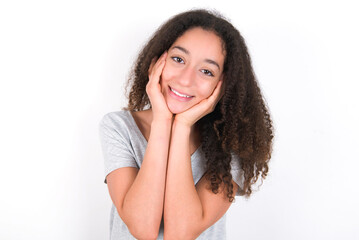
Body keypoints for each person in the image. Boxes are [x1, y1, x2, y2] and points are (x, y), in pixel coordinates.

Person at [99, 9, 274, 240]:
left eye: (206, 71)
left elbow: (180, 235)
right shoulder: (119, 127)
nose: (185, 79)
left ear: (224, 86)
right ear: (156, 63)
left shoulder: (232, 143)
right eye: (178, 59)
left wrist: (181, 127)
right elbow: (142, 229)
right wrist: (163, 120)